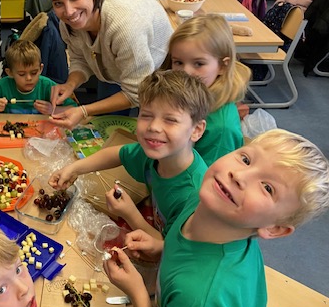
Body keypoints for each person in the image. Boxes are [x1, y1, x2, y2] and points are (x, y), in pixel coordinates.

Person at [104, 129, 329, 307]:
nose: (239, 176)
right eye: (246, 159)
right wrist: (163, 248)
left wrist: (137, 292)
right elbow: (194, 252)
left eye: (267, 188)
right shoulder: (207, 202)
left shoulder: (199, 305)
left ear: (273, 228)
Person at [50, 70, 212, 238]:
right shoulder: (157, 154)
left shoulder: (194, 196)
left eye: (170, 120)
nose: (154, 127)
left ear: (197, 130)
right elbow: (117, 154)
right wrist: (74, 168)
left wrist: (130, 214)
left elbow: (168, 247)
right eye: (146, 115)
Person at [46, 0, 173, 129]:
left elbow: (138, 92)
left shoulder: (125, 28)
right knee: (107, 125)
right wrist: (70, 84)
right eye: (58, 3)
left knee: (148, 129)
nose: (69, 12)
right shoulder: (68, 24)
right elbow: (80, 59)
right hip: (115, 68)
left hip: (156, 69)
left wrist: (84, 111)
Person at [162, 14, 251, 165]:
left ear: (222, 66)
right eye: (178, 62)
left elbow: (208, 175)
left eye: (198, 64)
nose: (185, 73)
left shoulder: (221, 128)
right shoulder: (189, 94)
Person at [0, 40, 76, 115]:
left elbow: (74, 108)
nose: (29, 78)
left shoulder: (48, 86)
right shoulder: (1, 87)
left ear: (41, 69)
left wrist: (53, 110)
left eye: (34, 73)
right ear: (10, 73)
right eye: (21, 74)